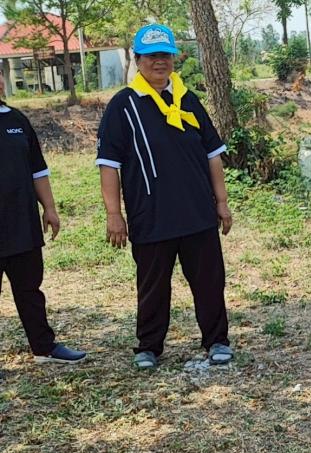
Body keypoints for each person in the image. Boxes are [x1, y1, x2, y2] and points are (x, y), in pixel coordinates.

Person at [96, 24, 233, 371]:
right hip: (150, 216)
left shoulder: (187, 99)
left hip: (198, 214)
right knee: (153, 285)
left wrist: (221, 202)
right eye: (152, 55)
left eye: (165, 55)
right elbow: (109, 165)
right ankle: (149, 346)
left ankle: (217, 340)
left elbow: (212, 155)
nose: (160, 62)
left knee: (209, 281)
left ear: (174, 58)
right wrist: (114, 214)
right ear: (137, 60)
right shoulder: (123, 106)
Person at [0, 73, 85, 365]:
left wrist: (49, 207)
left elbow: (38, 169)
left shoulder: (16, 120)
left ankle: (44, 348)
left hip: (22, 225)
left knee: (30, 291)